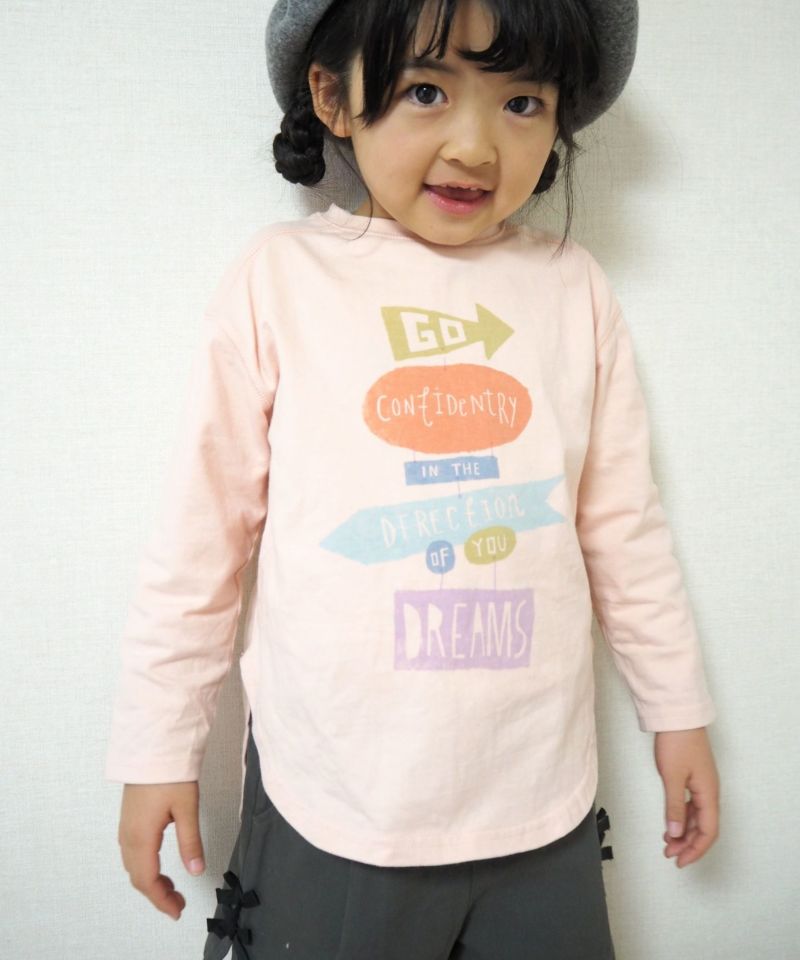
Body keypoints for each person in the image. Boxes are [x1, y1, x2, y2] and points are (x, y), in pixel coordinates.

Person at [106, 0, 721, 957]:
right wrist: (157, 748)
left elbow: (623, 528)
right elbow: (202, 540)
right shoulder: (282, 280)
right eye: (427, 90)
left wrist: (676, 713)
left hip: (538, 795)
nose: (475, 146)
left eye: (522, 102)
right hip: (334, 798)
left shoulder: (573, 289)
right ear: (332, 95)